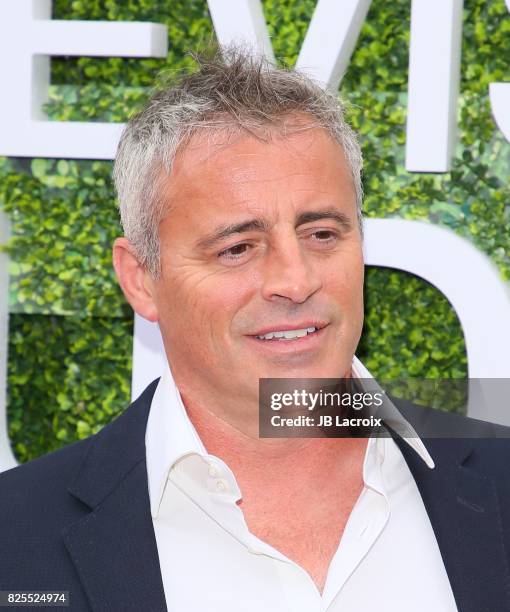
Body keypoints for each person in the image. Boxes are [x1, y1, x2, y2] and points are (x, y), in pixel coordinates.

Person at [1, 46, 510, 612]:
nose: (294, 280)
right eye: (238, 248)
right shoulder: (15, 543)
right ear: (141, 278)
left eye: (321, 233)